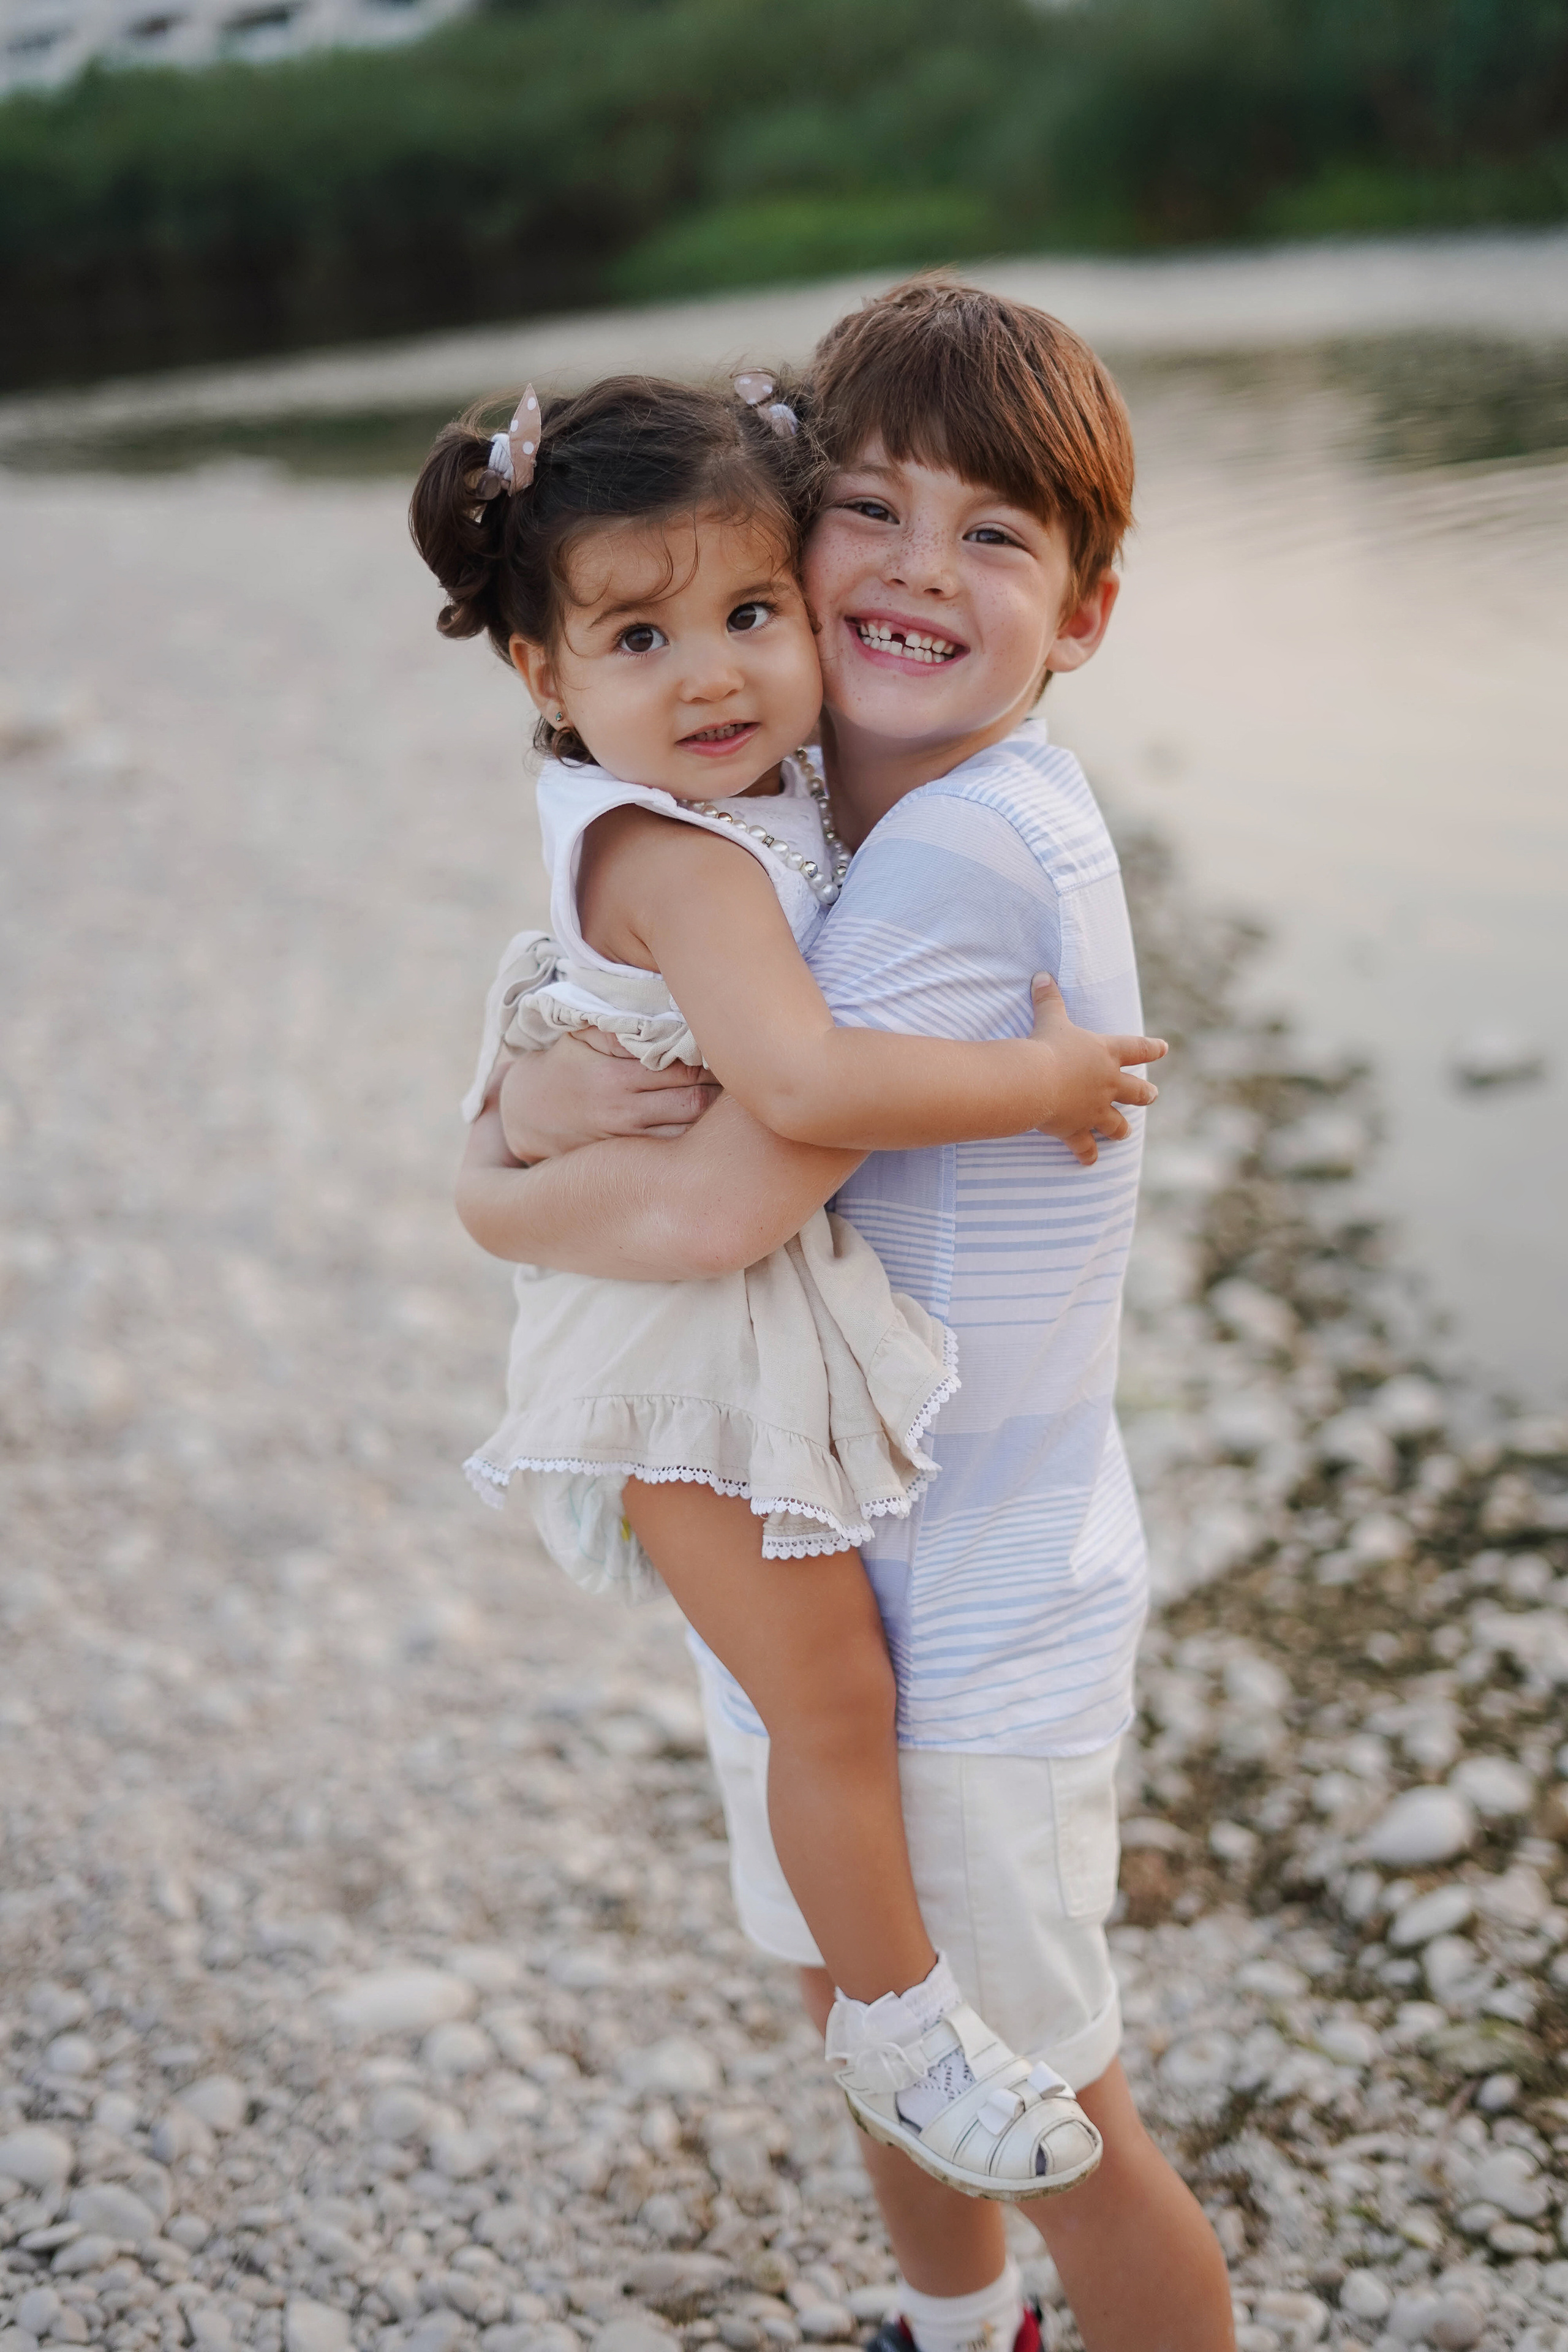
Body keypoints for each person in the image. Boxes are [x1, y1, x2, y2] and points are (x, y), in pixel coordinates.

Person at [466, 279, 1236, 2352]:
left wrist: (492, 1187)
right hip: (822, 1547)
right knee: (869, 2012)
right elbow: (651, 1040)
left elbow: (732, 1188)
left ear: (1082, 614)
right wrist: (517, 1117)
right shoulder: (802, 817)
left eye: (992, 537)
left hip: (958, 1613)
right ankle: (959, 2325)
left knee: (1056, 2111)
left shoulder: (956, 854)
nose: (913, 571)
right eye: (871, 513)